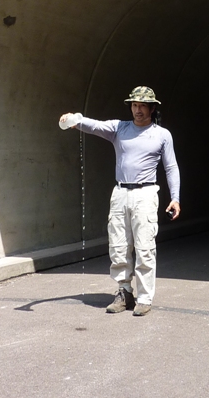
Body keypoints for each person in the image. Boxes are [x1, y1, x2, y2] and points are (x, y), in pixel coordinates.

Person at [59, 86, 180, 317]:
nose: (138, 110)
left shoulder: (162, 135)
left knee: (144, 247)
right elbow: (96, 126)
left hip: (145, 194)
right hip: (120, 193)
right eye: (134, 105)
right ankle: (124, 292)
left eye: (143, 105)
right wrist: (76, 120)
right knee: (118, 246)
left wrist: (175, 198)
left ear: (152, 108)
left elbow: (171, 167)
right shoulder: (119, 128)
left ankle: (144, 298)